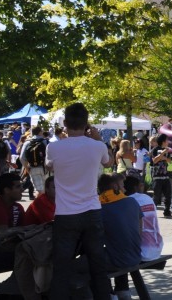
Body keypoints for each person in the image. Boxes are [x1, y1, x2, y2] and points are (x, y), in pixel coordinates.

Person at [46, 103, 114, 299]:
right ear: (87, 124)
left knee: (62, 267)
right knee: (97, 263)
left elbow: (49, 167)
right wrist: (100, 140)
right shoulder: (97, 146)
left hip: (65, 214)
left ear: (65, 123)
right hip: (91, 211)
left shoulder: (54, 147)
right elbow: (109, 162)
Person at [97, 174, 141, 300]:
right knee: (117, 246)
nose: (125, 189)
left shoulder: (99, 207)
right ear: (115, 186)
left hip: (120, 258)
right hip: (137, 254)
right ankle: (123, 290)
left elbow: (93, 236)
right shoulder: (132, 201)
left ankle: (109, 294)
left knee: (91, 261)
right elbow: (139, 230)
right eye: (123, 186)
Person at [123, 176, 163, 262]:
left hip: (142, 252)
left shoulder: (128, 201)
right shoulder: (147, 198)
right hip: (157, 247)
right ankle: (136, 275)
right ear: (136, 187)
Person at [0, 173, 27, 273]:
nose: (22, 189)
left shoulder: (18, 207)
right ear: (6, 190)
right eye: (18, 187)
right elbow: (2, 234)